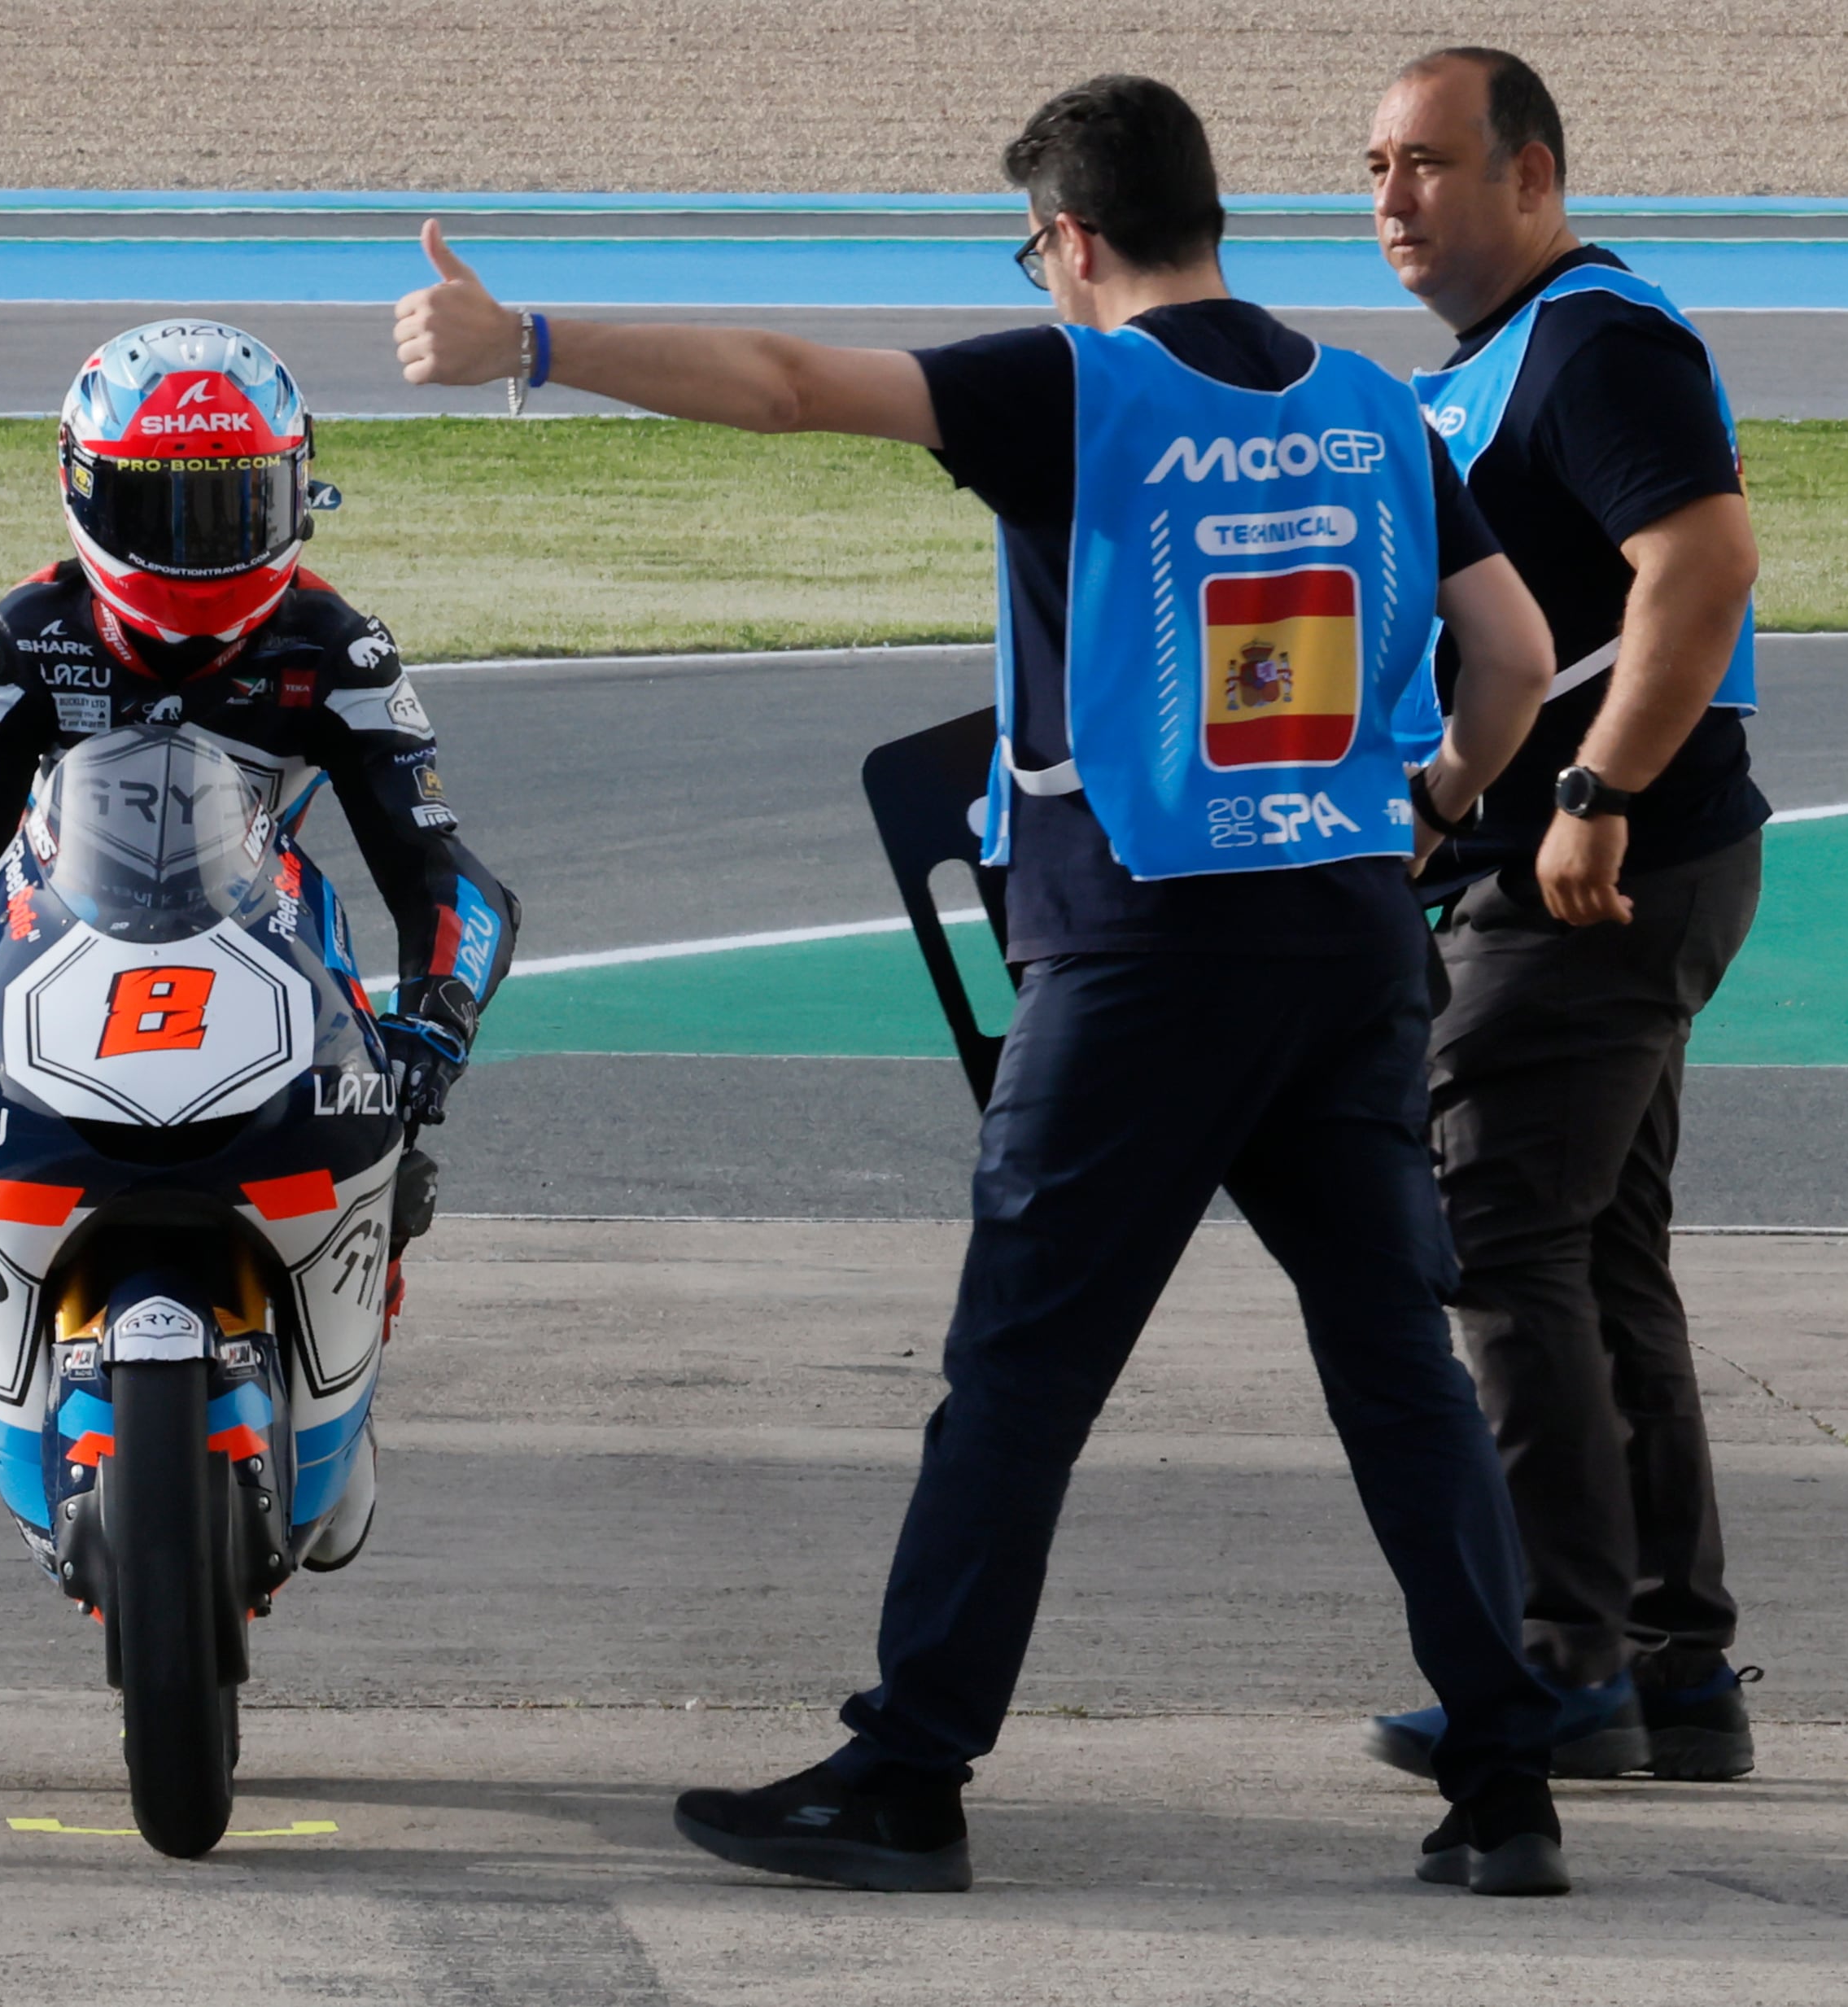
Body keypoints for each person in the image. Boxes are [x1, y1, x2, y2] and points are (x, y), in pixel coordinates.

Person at [398, 76, 1573, 1895]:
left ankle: (909, 1767)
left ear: (1069, 239)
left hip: (1142, 951)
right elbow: (1512, 650)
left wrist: (526, 343)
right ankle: (1505, 1787)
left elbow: (788, 383)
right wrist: (1424, 806)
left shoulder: (1079, 387)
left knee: (1019, 1373)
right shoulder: (1368, 406)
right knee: (1394, 1367)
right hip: (1349, 940)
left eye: (1034, 255)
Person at [0, 321, 518, 1763]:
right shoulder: (15, 639)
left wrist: (431, 1023)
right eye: (162, 510)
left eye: (234, 505)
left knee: (384, 1153)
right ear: (83, 491)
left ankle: (336, 1389)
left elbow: (448, 877)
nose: (199, 550)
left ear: (297, 492)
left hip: (262, 973)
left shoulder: (338, 646)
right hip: (44, 991)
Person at [1357, 48, 1768, 1784]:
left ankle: (1559, 1660)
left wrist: (1595, 791)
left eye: (1428, 164)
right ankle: (1672, 1667)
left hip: (1598, 874)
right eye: (1375, 168)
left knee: (1500, 1242)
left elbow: (1703, 562)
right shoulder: (1499, 358)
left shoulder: (1595, 341)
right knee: (1595, 1257)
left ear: (1530, 174)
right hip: (1590, 862)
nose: (1391, 200)